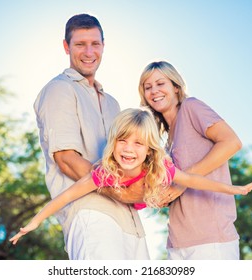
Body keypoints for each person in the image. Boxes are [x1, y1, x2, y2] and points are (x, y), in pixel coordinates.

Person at [10, 108, 252, 245]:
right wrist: (35, 221)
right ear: (113, 143)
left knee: (178, 184)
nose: (129, 149)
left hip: (155, 187)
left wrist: (234, 190)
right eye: (122, 141)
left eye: (139, 143)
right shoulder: (105, 173)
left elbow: (194, 181)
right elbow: (65, 197)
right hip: (132, 195)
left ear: (149, 149)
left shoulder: (161, 166)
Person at [32, 13, 147, 260]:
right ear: (66, 46)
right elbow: (66, 159)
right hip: (90, 214)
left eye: (95, 44)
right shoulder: (59, 89)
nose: (89, 52)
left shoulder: (113, 104)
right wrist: (123, 192)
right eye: (80, 44)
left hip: (131, 223)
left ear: (103, 46)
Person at [139, 61, 248, 260]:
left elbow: (232, 142)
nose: (154, 91)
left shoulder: (191, 107)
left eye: (160, 83)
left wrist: (182, 184)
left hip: (212, 240)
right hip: (177, 243)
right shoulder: (165, 142)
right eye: (148, 87)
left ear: (176, 87)